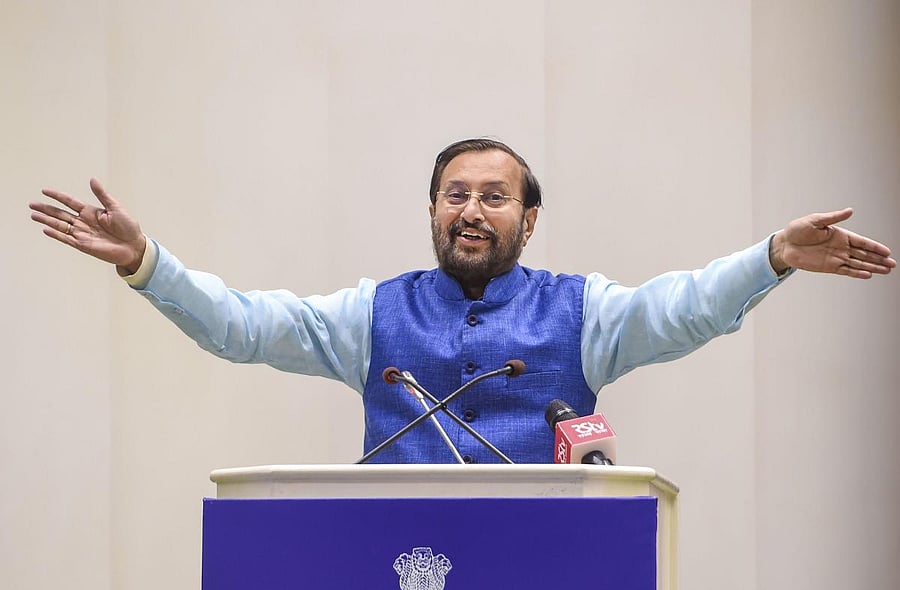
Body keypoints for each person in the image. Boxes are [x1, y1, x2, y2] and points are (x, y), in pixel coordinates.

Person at [29, 138, 895, 464]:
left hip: (546, 574)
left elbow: (686, 306)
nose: (470, 210)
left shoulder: (582, 311)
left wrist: (773, 256)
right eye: (454, 194)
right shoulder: (370, 314)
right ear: (432, 211)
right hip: (394, 574)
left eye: (493, 195)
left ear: (530, 219)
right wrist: (148, 262)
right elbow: (243, 326)